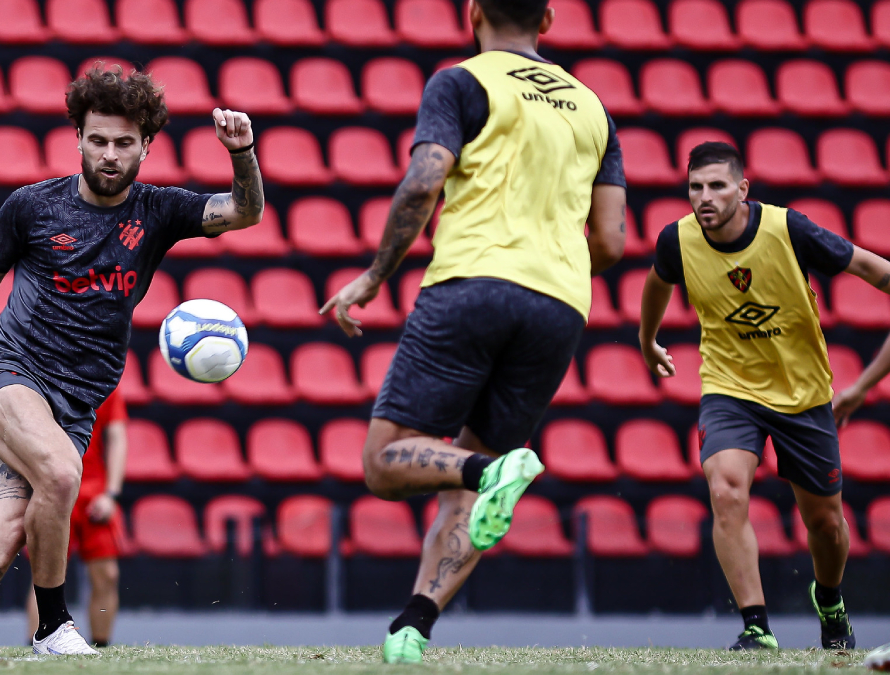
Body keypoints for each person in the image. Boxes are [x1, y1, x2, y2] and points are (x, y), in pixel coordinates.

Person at [0, 65, 264, 656]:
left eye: (124, 143)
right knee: (59, 476)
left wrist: (242, 152)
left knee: (3, 534)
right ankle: (53, 627)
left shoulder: (158, 212)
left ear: (147, 146)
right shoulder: (30, 207)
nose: (110, 154)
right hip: (8, 375)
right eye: (99, 139)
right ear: (77, 137)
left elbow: (246, 211)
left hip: (78, 402)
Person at [321, 0, 627, 663]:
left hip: (472, 284)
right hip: (561, 305)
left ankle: (495, 470)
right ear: (548, 19)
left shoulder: (463, 81)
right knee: (474, 481)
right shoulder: (594, 108)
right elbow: (609, 240)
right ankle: (413, 624)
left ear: (472, 12)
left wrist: (373, 277)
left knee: (384, 460)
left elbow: (422, 183)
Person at [638, 141, 888, 650]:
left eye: (716, 186)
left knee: (826, 525)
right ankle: (757, 628)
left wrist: (862, 386)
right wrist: (647, 340)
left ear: (742, 189)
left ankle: (830, 598)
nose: (704, 197)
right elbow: (657, 283)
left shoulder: (788, 229)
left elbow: (871, 269)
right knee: (726, 489)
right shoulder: (677, 240)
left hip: (804, 395)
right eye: (695, 187)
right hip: (729, 389)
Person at [25, 389, 128, 647]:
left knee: (107, 574)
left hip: (93, 493)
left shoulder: (104, 382)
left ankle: (101, 646)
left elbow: (117, 437)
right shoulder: (41, 378)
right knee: (43, 574)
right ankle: (37, 645)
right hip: (51, 487)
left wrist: (111, 494)